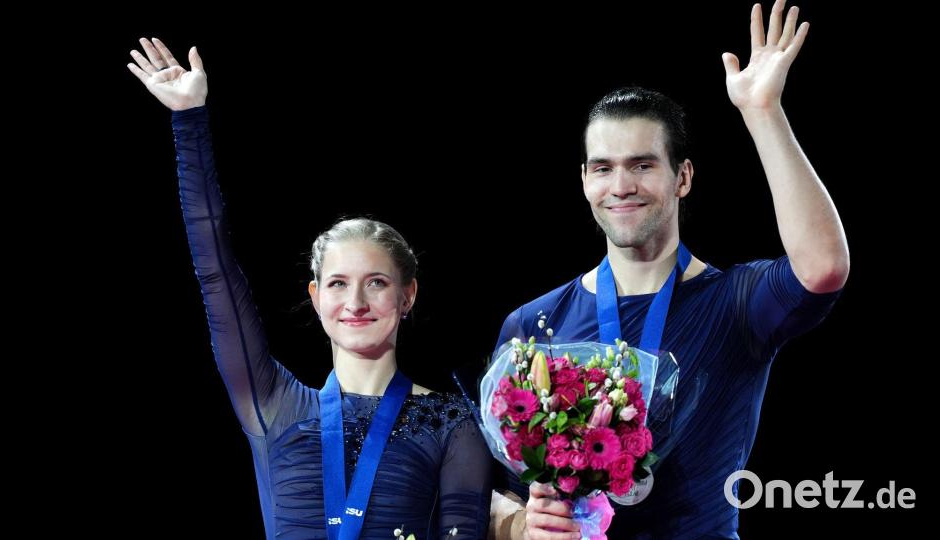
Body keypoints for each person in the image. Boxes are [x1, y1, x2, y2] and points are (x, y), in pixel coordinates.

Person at [483, 1, 849, 538]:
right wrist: (519, 524)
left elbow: (822, 268)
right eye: (603, 168)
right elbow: (493, 491)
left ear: (683, 177)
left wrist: (762, 112)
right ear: (584, 181)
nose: (621, 185)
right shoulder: (532, 326)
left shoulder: (736, 303)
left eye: (643, 165)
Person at [127, 37, 492, 540]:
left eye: (377, 283)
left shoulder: (452, 421)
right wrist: (189, 119)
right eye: (338, 284)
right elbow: (216, 273)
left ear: (407, 297)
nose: (356, 303)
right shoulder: (273, 402)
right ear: (316, 296)